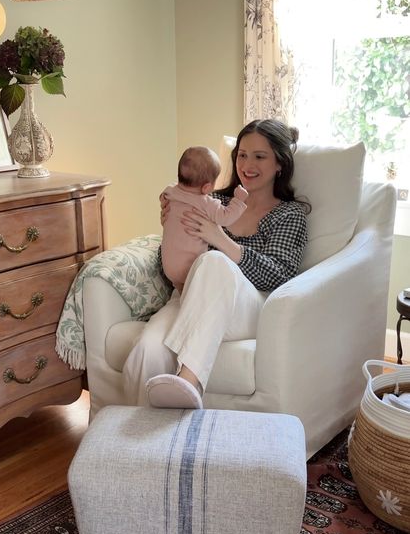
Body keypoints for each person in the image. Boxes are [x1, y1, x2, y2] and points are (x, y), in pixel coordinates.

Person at [122, 118, 310, 409]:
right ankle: (141, 447)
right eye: (242, 155)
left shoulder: (289, 214)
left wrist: (220, 239)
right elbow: (167, 265)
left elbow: (279, 275)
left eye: (260, 157)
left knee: (214, 261)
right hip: (188, 295)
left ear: (279, 165)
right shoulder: (209, 199)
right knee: (146, 352)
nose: (247, 164)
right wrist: (171, 231)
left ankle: (189, 380)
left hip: (247, 306)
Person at [161, 146, 248, 293]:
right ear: (207, 187)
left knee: (184, 293)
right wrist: (239, 200)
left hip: (168, 267)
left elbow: (163, 195)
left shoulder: (170, 192)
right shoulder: (207, 204)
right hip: (190, 268)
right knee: (192, 291)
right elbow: (226, 217)